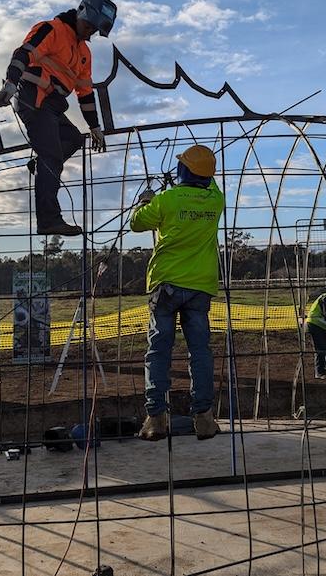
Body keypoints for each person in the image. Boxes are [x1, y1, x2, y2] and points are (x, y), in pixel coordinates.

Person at [0, 0, 117, 235]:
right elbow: (23, 54)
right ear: (80, 13)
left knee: (73, 139)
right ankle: (49, 220)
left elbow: (85, 92)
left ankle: (42, 166)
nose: (89, 32)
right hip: (32, 98)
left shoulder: (84, 53)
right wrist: (10, 83)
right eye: (88, 26)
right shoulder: (52, 29)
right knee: (51, 157)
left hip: (52, 105)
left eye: (94, 30)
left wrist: (94, 127)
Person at [129, 145, 225, 441]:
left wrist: (145, 201)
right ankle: (204, 419)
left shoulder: (166, 200)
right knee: (200, 352)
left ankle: (155, 419)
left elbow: (136, 223)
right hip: (200, 287)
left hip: (166, 284)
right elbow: (209, 180)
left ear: (183, 171)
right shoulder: (216, 200)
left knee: (159, 350)